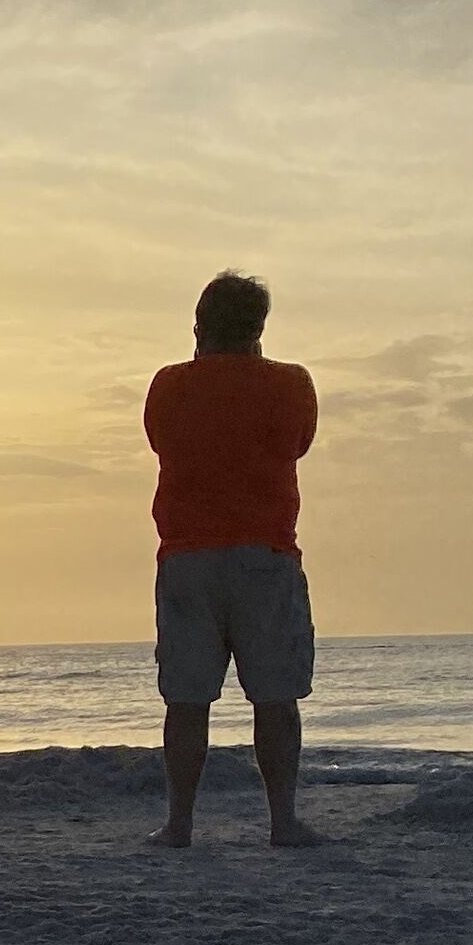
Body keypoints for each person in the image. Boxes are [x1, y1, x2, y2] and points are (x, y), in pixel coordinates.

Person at [143, 271, 319, 850]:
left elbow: (161, 442)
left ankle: (180, 824)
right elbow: (298, 443)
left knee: (187, 699)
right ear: (258, 329)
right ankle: (283, 821)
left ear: (200, 326)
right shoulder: (290, 384)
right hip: (264, 552)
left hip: (189, 555)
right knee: (276, 696)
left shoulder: (169, 386)